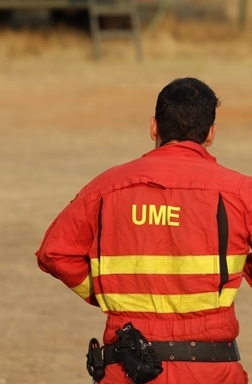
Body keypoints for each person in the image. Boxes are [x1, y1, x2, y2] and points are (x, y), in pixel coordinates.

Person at [36, 77, 252, 384]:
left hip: (127, 368)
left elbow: (54, 253)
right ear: (211, 133)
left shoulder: (106, 187)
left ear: (154, 127)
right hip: (212, 369)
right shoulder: (241, 192)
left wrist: (104, 292)